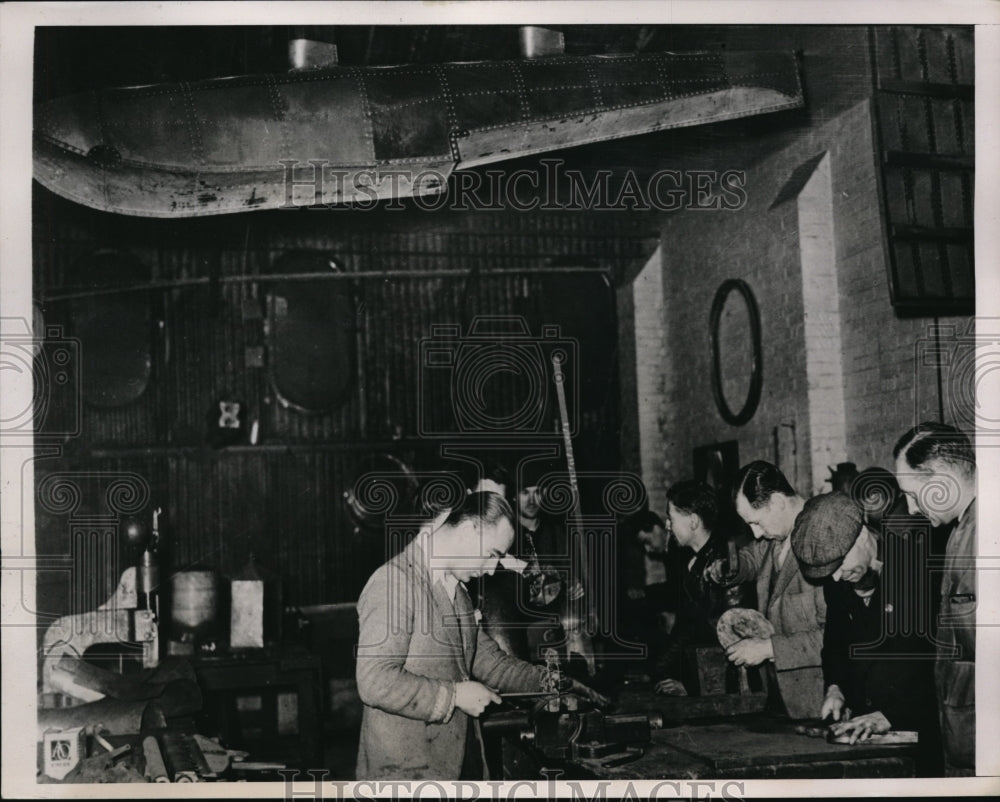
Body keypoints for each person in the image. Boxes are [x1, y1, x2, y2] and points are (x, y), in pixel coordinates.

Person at [355, 491, 604, 780]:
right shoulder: (394, 582)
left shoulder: (456, 590)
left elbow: (488, 662)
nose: (489, 570)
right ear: (466, 530)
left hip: (457, 762)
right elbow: (374, 679)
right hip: (405, 774)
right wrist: (455, 695)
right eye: (491, 555)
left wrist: (554, 683)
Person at [791, 491, 942, 774]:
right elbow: (836, 642)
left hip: (922, 734)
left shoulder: (918, 570)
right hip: (868, 736)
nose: (835, 578)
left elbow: (937, 661)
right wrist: (835, 687)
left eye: (839, 566)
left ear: (861, 537)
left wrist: (891, 714)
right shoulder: (838, 580)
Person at [707, 460, 826, 719]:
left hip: (821, 702)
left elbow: (837, 636)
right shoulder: (778, 535)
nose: (756, 533)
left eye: (757, 523)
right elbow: (754, 555)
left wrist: (768, 649)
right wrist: (732, 567)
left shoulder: (822, 542)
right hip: (783, 700)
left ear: (778, 502)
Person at [893, 422, 976, 775]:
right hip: (967, 742)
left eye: (913, 494)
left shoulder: (985, 533)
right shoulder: (962, 531)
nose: (911, 509)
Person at [653, 480, 751, 696]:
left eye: (671, 518)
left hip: (722, 691)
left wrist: (693, 686)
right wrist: (660, 670)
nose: (668, 525)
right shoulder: (695, 563)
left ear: (693, 521)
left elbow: (730, 637)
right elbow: (687, 628)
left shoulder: (725, 565)